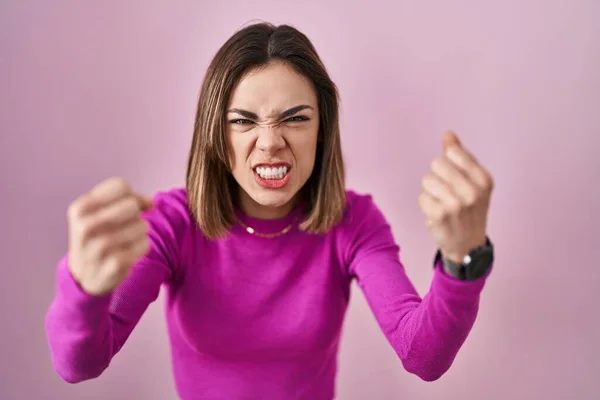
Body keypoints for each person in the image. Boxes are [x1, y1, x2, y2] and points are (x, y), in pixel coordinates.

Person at [45, 22, 495, 400]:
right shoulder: (172, 223)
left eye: (296, 118)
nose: (270, 141)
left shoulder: (353, 221)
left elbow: (423, 355)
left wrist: (462, 261)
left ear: (322, 130)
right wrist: (83, 288)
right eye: (243, 120)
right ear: (216, 134)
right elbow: (78, 365)